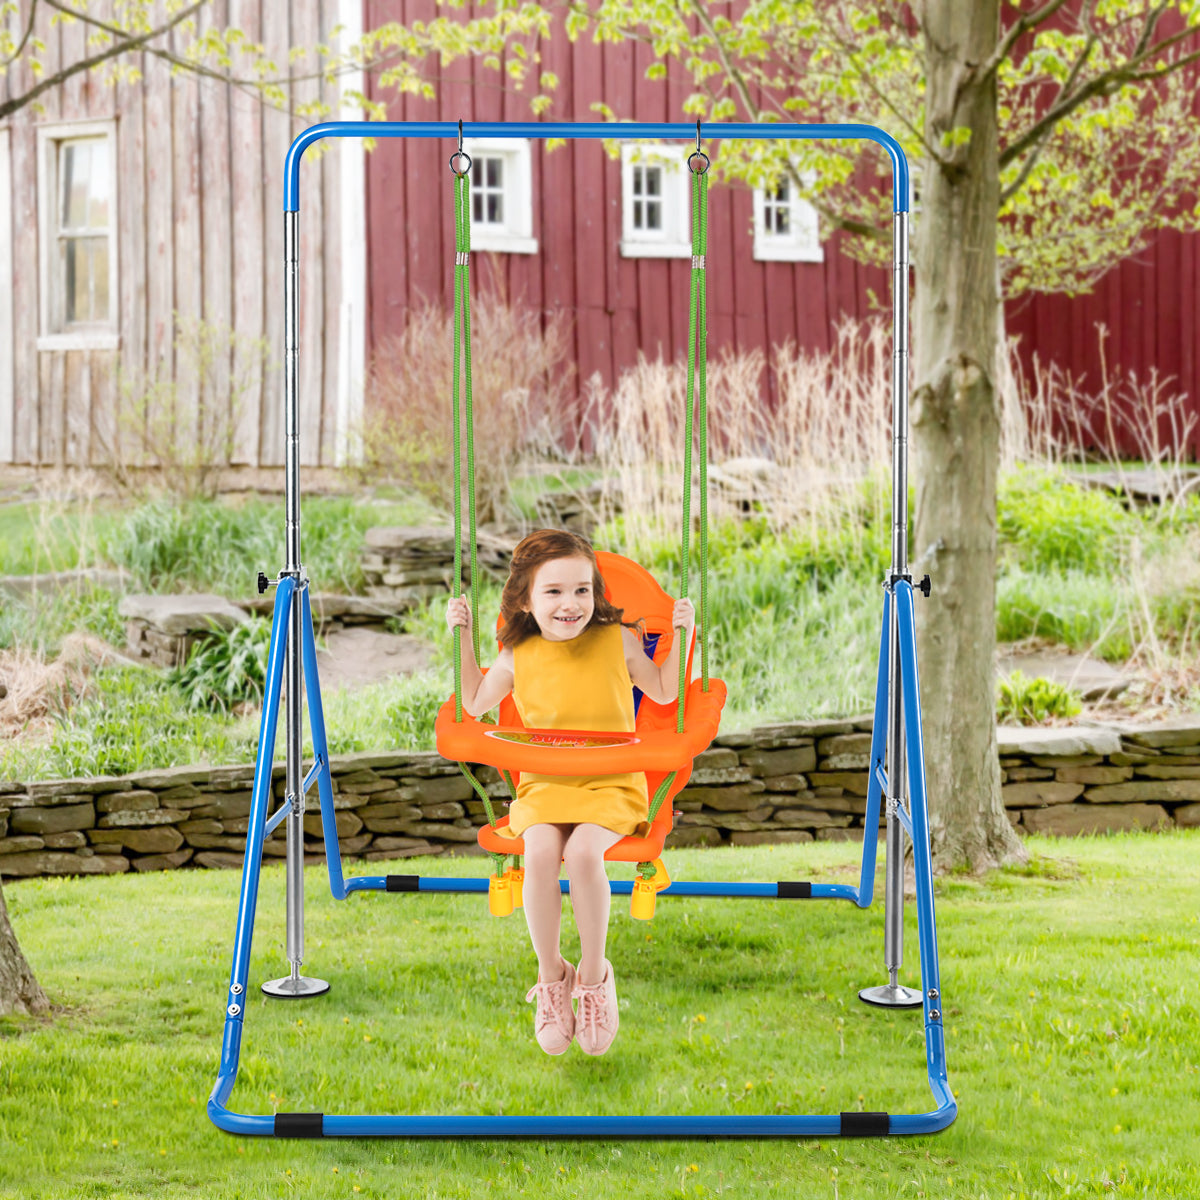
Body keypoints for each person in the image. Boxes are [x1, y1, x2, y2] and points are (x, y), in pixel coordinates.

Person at [446, 529, 694, 1057]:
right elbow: (472, 702)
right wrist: (463, 637)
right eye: (554, 592)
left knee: (583, 852)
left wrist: (685, 635)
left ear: (596, 594)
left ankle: (593, 977)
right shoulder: (518, 653)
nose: (571, 604)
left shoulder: (617, 640)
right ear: (525, 600)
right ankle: (551, 977)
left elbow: (667, 692)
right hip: (544, 783)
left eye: (583, 590)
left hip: (612, 784)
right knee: (538, 852)